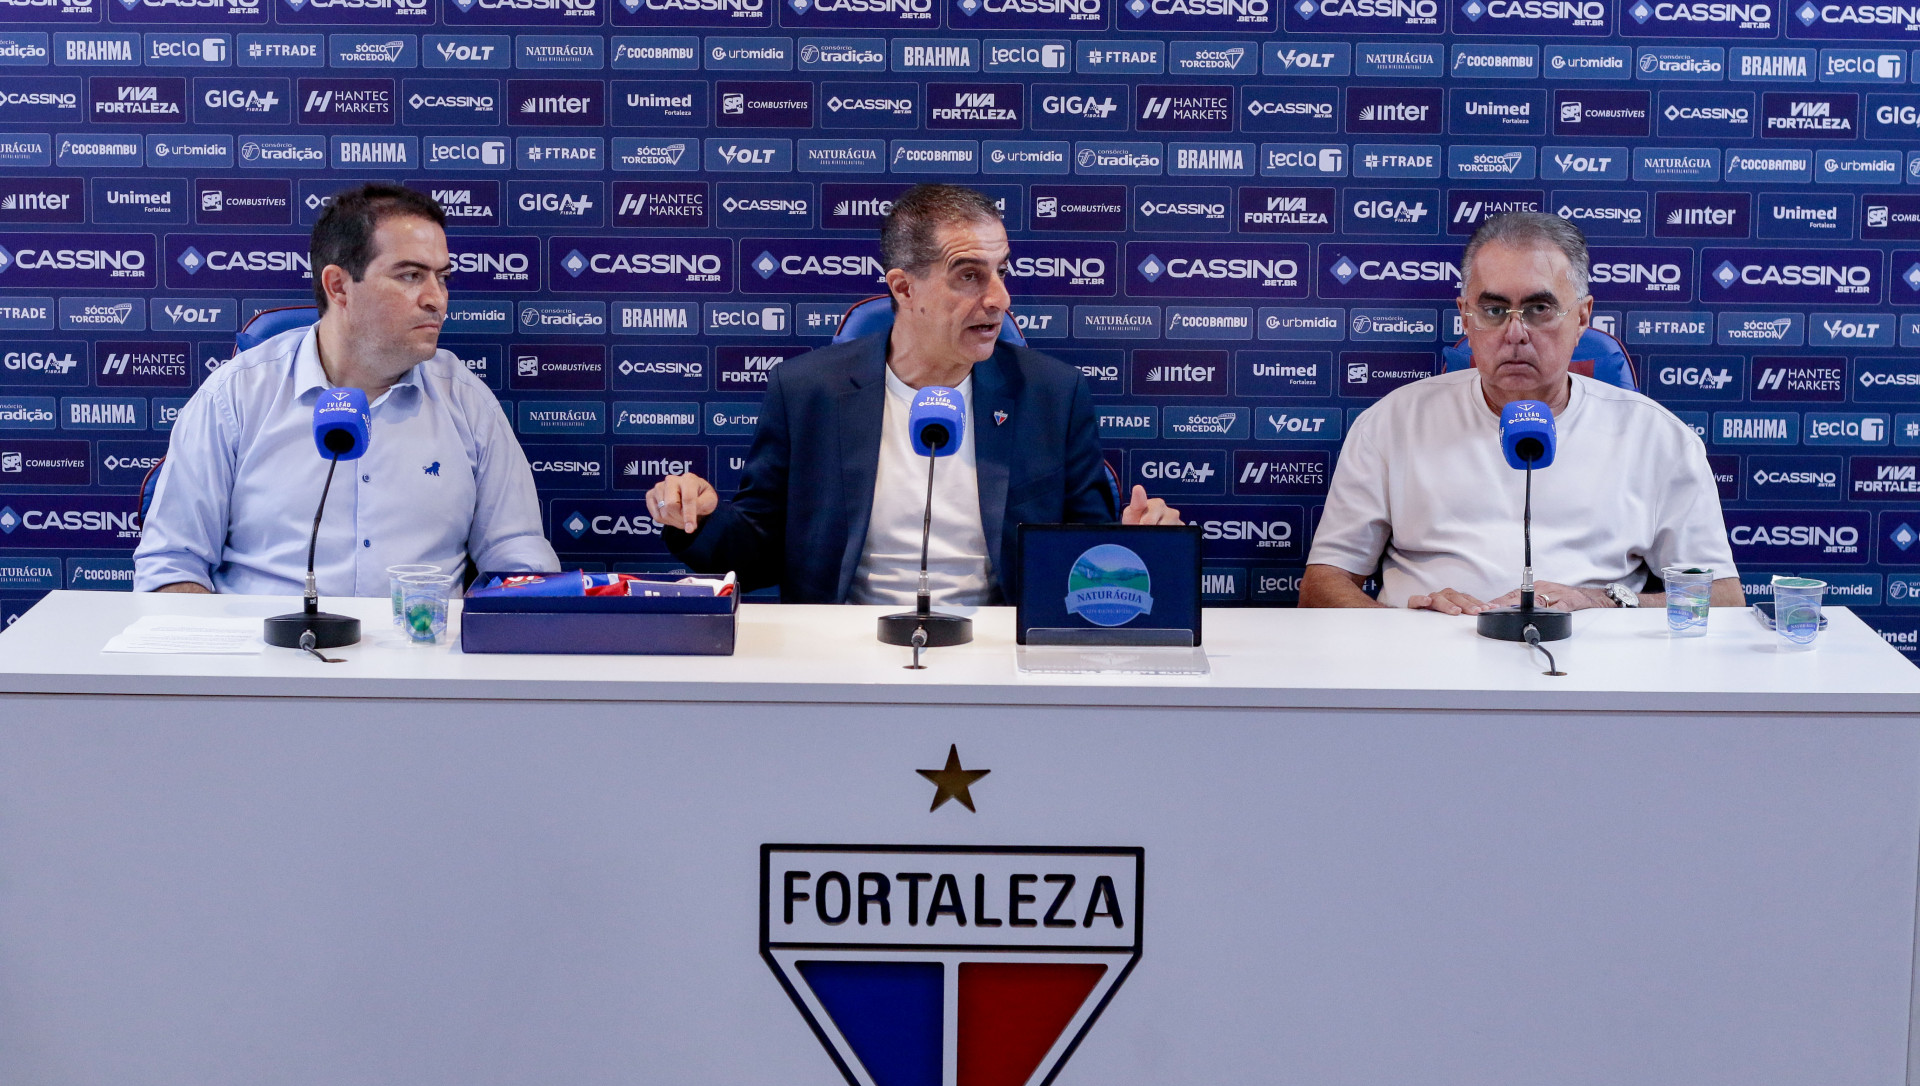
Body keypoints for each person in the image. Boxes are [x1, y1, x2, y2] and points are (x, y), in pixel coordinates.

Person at [646, 183, 1178, 604]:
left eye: (1001, 271)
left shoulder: (1051, 394)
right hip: (845, 654)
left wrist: (1137, 547)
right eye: (969, 276)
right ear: (903, 287)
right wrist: (699, 517)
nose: (1000, 298)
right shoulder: (807, 390)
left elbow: (1084, 560)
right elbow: (758, 555)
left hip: (998, 655)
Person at [1300, 210, 1742, 615]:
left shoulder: (1658, 438)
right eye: (1494, 310)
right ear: (1465, 317)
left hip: (1594, 662)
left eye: (1539, 309)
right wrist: (1408, 629)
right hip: (1427, 662)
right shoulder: (1392, 423)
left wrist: (1601, 601)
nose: (1515, 333)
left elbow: (1722, 600)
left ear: (1582, 317)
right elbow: (1321, 586)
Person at [133, 183, 557, 595]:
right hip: (267, 640)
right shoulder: (235, 397)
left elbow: (517, 555)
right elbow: (170, 564)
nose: (437, 299)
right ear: (338, 286)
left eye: (442, 277)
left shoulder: (466, 400)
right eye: (411, 275)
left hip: (418, 639)